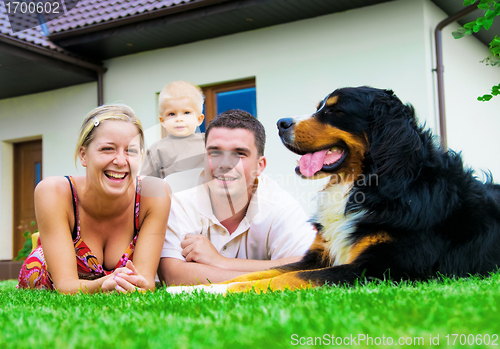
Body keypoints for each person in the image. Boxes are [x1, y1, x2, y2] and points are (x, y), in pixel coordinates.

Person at [17, 105, 170, 294]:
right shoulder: (54, 192)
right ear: (83, 155)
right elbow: (65, 286)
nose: (121, 161)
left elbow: (145, 282)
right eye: (107, 149)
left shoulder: (154, 194)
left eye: (130, 150)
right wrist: (103, 284)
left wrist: (135, 284)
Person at [158, 109, 316, 286]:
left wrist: (220, 261)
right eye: (215, 152)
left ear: (259, 166)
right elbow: (173, 275)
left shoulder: (279, 205)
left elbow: (309, 268)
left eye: (239, 153)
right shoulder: (178, 200)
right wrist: (273, 276)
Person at [140, 81, 206, 178]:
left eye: (186, 113)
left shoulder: (208, 142)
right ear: (162, 121)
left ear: (199, 119)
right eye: (171, 114)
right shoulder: (157, 150)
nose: (179, 119)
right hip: (170, 193)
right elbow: (145, 181)